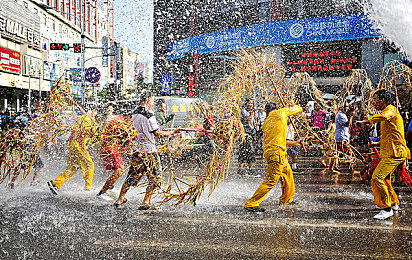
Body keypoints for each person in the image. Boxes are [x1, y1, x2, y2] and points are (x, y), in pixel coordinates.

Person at [115, 90, 180, 210]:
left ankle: (120, 199)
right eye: (152, 101)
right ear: (148, 100)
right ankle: (145, 202)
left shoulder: (134, 113)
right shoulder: (149, 115)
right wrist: (172, 132)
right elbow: (157, 133)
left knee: (132, 175)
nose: (153, 103)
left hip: (137, 150)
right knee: (156, 177)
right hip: (149, 151)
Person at [357, 89, 410, 220]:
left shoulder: (391, 109)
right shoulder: (388, 112)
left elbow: (383, 116)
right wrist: (376, 144)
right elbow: (390, 135)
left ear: (382, 100)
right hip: (390, 152)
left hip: (395, 153)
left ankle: (386, 209)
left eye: (375, 100)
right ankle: (393, 203)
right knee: (385, 179)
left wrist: (367, 121)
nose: (373, 103)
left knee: (376, 178)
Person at [244, 102, 303, 212]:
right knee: (271, 180)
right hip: (277, 154)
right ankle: (251, 203)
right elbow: (298, 108)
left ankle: (286, 200)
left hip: (273, 152)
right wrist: (294, 104)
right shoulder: (280, 113)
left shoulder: (266, 122)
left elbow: (278, 140)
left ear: (266, 111)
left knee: (288, 175)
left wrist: (295, 143)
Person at [47, 109, 97, 195]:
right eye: (95, 112)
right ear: (92, 111)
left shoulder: (81, 118)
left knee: (72, 167)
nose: (96, 114)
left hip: (72, 145)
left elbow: (75, 131)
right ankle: (88, 187)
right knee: (89, 164)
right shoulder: (87, 120)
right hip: (79, 146)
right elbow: (84, 133)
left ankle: (55, 183)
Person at [96, 105, 125, 201]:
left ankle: (110, 187)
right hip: (109, 148)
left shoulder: (115, 119)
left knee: (119, 169)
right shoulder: (110, 120)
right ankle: (102, 192)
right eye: (108, 108)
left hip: (111, 147)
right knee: (118, 171)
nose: (110, 110)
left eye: (112, 108)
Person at [332, 103, 353, 171]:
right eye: (345, 107)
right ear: (341, 107)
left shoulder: (342, 114)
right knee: (349, 152)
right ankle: (351, 169)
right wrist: (351, 116)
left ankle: (333, 166)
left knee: (337, 152)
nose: (347, 108)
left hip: (340, 136)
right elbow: (347, 124)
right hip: (342, 137)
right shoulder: (341, 115)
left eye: (347, 106)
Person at [238, 99, 256, 175]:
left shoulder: (253, 112)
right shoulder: (243, 111)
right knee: (247, 151)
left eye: (251, 104)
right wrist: (252, 112)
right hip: (245, 134)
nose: (250, 105)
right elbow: (248, 120)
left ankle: (248, 169)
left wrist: (255, 127)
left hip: (251, 134)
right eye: (249, 103)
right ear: (246, 104)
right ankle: (243, 169)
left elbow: (253, 122)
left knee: (248, 151)